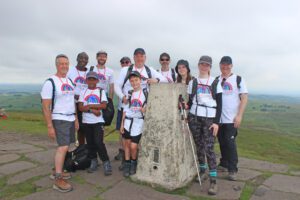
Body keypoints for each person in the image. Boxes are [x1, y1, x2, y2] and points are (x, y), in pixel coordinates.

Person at [114, 48, 167, 170]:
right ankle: (126, 161)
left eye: (141, 56)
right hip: (128, 106)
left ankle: (136, 161)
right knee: (125, 138)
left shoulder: (149, 70)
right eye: (137, 56)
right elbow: (117, 85)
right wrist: (122, 97)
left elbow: (165, 80)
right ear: (134, 58)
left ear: (145, 57)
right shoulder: (126, 70)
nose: (139, 58)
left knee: (138, 138)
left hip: (142, 109)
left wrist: (156, 80)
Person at [185, 55, 222, 195]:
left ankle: (213, 182)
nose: (204, 66)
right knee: (199, 145)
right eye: (202, 64)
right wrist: (185, 106)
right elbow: (190, 101)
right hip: (194, 116)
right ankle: (202, 171)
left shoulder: (215, 82)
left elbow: (220, 103)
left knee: (209, 148)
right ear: (199, 65)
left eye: (207, 64)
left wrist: (217, 123)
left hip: (209, 118)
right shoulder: (193, 82)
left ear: (210, 67)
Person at [41, 54, 79, 193]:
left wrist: (75, 118)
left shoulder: (69, 81)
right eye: (62, 63)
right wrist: (49, 125)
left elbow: (71, 101)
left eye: (66, 63)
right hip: (59, 118)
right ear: (57, 65)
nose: (64, 66)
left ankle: (55, 171)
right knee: (62, 147)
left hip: (69, 118)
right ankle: (58, 179)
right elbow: (45, 106)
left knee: (67, 147)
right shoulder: (50, 82)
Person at [217, 56, 248, 181]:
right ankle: (224, 163)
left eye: (227, 64)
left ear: (231, 66)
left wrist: (239, 115)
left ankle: (233, 169)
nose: (225, 66)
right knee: (222, 142)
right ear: (220, 65)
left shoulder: (238, 79)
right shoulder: (216, 80)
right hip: (218, 119)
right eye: (223, 64)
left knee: (230, 143)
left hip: (231, 118)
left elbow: (244, 98)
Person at [78, 71, 112, 175]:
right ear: (86, 80)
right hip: (86, 121)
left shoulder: (101, 91)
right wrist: (92, 110)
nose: (91, 81)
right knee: (90, 143)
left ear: (97, 80)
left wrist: (89, 106)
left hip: (98, 122)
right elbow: (80, 107)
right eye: (89, 79)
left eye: (93, 79)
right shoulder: (83, 92)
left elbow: (104, 106)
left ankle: (106, 161)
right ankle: (94, 161)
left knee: (98, 142)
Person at [120, 71, 148, 177]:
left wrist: (144, 109)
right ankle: (127, 163)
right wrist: (122, 124)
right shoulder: (129, 93)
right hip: (127, 121)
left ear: (140, 80)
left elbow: (149, 108)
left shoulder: (146, 93)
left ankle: (134, 162)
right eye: (132, 81)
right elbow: (125, 110)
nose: (134, 82)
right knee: (126, 144)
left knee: (133, 146)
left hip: (138, 122)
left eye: (136, 80)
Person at [67, 52, 89, 145]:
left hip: (85, 103)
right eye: (81, 58)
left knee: (84, 127)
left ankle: (83, 148)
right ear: (77, 59)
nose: (83, 60)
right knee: (74, 126)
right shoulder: (70, 71)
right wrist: (74, 95)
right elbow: (66, 86)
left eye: (85, 58)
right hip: (73, 103)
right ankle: (72, 147)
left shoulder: (89, 72)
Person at [115, 57, 132, 164]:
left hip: (132, 108)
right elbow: (117, 88)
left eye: (127, 62)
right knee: (121, 131)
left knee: (132, 131)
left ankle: (130, 152)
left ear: (130, 63)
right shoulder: (121, 75)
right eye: (123, 62)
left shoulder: (133, 73)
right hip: (122, 107)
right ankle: (122, 151)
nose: (125, 64)